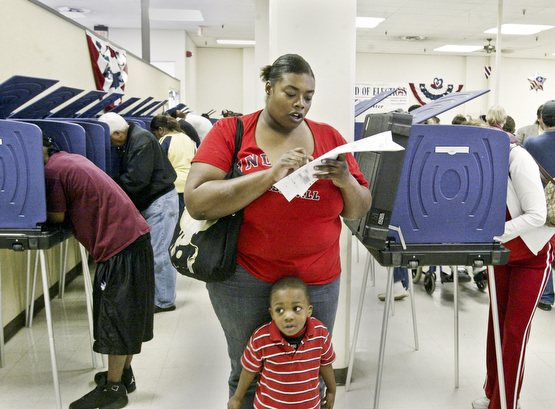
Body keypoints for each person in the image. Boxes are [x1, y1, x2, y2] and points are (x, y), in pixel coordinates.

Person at [184, 53, 371, 408]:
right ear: (268, 88)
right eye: (290, 93)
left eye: (308, 96)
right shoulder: (232, 132)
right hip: (245, 280)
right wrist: (270, 175)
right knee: (248, 374)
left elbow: (359, 208)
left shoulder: (330, 137)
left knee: (308, 373)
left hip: (317, 281)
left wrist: (345, 180)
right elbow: (196, 200)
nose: (300, 103)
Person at [42, 136, 154, 409]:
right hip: (135, 239)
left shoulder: (52, 172)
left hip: (118, 246)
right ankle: (124, 375)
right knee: (128, 314)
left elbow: (56, 216)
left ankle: (114, 389)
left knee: (115, 315)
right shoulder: (70, 159)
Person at [472, 131, 555, 409]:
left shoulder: (517, 159)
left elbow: (537, 215)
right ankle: (492, 391)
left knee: (515, 331)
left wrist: (493, 233)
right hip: (502, 253)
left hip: (533, 254)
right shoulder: (482, 162)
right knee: (496, 325)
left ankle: (505, 403)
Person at [98, 112, 179, 313]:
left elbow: (136, 180)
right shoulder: (134, 138)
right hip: (154, 202)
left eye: (111, 140)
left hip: (160, 202)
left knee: (159, 253)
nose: (111, 145)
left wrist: (110, 190)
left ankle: (164, 301)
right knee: (155, 252)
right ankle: (158, 296)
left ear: (117, 133)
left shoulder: (140, 140)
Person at [228, 277, 336, 409]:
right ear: (272, 313)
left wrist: (332, 390)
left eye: (296, 308)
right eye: (280, 310)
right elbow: (249, 370)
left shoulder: (320, 333)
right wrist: (237, 397)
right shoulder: (261, 338)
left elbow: (325, 364)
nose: (288, 316)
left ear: (309, 310)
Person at [523, 100, 555, 312]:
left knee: (544, 248)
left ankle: (546, 295)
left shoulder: (532, 143)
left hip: (544, 205)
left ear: (541, 118)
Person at [150, 114, 197, 215]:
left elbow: (159, 165)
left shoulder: (164, 140)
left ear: (161, 129)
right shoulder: (187, 138)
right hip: (189, 184)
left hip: (174, 185)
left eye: (155, 134)